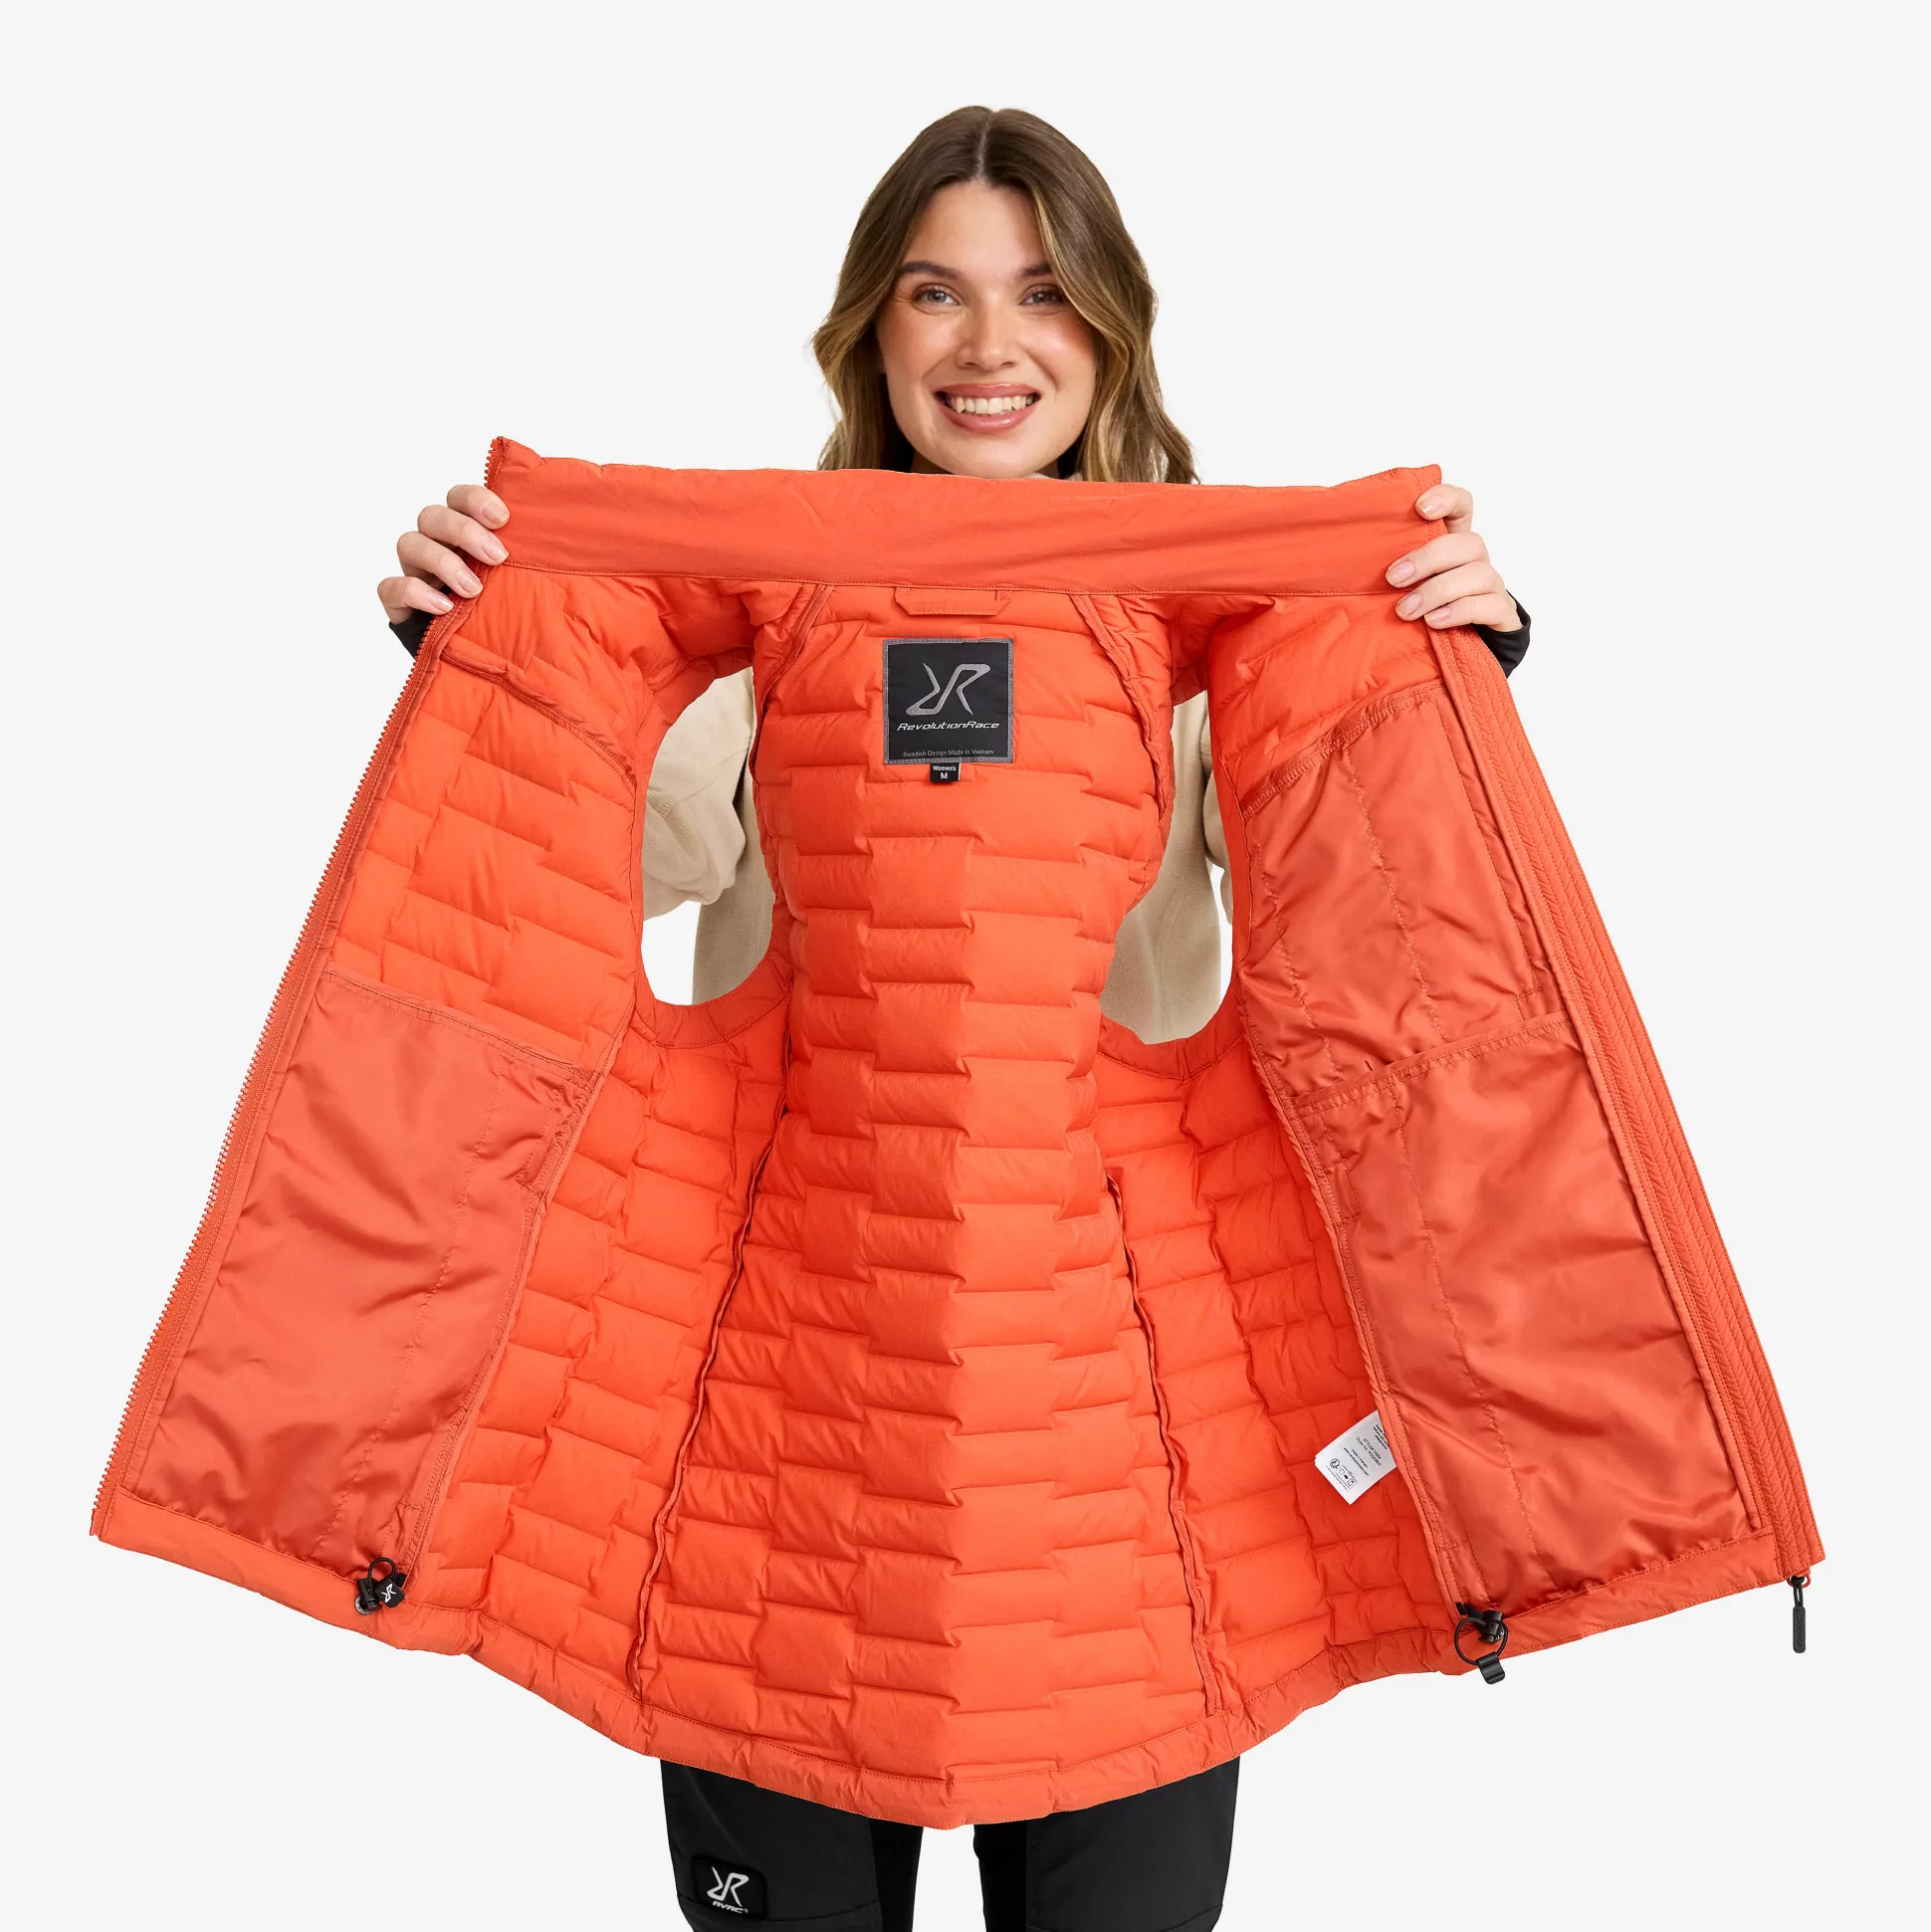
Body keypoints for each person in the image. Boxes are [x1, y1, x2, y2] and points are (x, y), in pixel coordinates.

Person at [376, 105, 1529, 1932]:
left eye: (1044, 293)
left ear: (1113, 328)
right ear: (872, 331)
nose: (993, 344)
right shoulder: (754, 610)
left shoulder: (1217, 628)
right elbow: (630, 853)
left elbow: (1355, 892)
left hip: (1115, 1445)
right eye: (937, 293)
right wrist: (495, 658)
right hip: (789, 1422)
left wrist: (1445, 660)